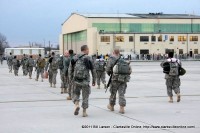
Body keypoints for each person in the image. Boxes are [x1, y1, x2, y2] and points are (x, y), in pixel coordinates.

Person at [68, 45, 96, 117]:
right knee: (85, 96)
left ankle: (77, 104)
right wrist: (94, 80)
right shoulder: (89, 58)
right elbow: (93, 70)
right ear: (85, 50)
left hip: (76, 79)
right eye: (88, 49)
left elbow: (70, 69)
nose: (88, 51)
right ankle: (84, 112)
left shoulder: (75, 57)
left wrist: (70, 79)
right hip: (85, 80)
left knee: (76, 93)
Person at [106, 49, 132, 114]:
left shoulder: (111, 59)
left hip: (114, 79)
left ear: (113, 52)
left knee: (113, 93)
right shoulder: (123, 59)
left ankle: (111, 106)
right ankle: (122, 108)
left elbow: (108, 69)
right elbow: (129, 70)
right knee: (121, 93)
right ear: (119, 53)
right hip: (123, 79)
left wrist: (110, 73)